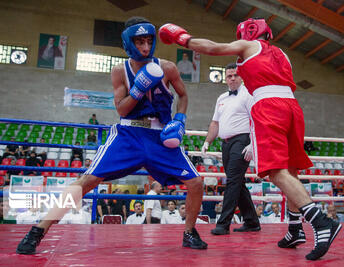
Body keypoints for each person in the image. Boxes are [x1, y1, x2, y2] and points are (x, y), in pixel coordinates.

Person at [16, 16, 207, 254]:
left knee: (196, 182)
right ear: (128, 43)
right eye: (140, 42)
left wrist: (180, 119)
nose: (146, 47)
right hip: (128, 133)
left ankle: (189, 232)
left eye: (149, 41)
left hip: (160, 135)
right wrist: (138, 89)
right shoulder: (120, 71)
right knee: (87, 181)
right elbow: (121, 109)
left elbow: (183, 95)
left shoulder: (168, 67)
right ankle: (38, 230)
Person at [159, 18, 341, 260]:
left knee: (276, 171)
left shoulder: (249, 46)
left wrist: (183, 38)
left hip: (268, 106)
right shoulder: (282, 54)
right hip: (293, 107)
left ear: (246, 34)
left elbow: (213, 48)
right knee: (291, 170)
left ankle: (320, 221)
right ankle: (295, 230)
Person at [201, 62, 259, 235]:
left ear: (241, 77)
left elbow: (257, 119)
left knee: (233, 180)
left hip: (242, 141)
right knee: (238, 182)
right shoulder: (221, 98)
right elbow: (215, 122)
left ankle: (223, 223)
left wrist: (252, 144)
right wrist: (207, 141)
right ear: (225, 79)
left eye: (235, 75)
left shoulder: (248, 94)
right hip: (225, 143)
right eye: (229, 76)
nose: (232, 78)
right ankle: (252, 221)